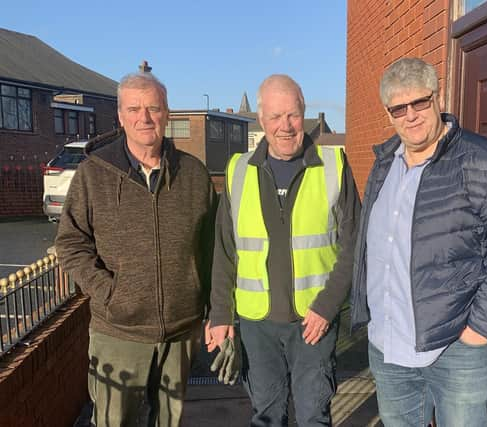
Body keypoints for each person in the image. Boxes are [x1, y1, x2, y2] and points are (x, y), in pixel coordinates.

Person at [350, 57, 487, 427]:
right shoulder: (383, 164)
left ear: (437, 97)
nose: (411, 115)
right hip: (389, 345)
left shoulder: (485, 162)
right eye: (399, 108)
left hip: (456, 347)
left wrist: (482, 329)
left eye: (420, 102)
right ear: (388, 113)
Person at [55, 71, 216, 427]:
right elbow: (70, 242)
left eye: (153, 108)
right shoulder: (93, 174)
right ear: (120, 117)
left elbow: (212, 248)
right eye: (134, 109)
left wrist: (210, 306)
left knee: (169, 422)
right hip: (118, 332)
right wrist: (109, 292)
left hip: (179, 331)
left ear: (167, 113)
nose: (145, 118)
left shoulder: (193, 174)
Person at [206, 74, 361, 427]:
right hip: (256, 325)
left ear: (303, 113)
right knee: (266, 417)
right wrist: (220, 314)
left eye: (292, 115)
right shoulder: (238, 171)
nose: (285, 126)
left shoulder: (334, 167)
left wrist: (327, 306)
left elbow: (354, 244)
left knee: (313, 417)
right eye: (275, 117)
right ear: (261, 120)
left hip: (313, 322)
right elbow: (225, 251)